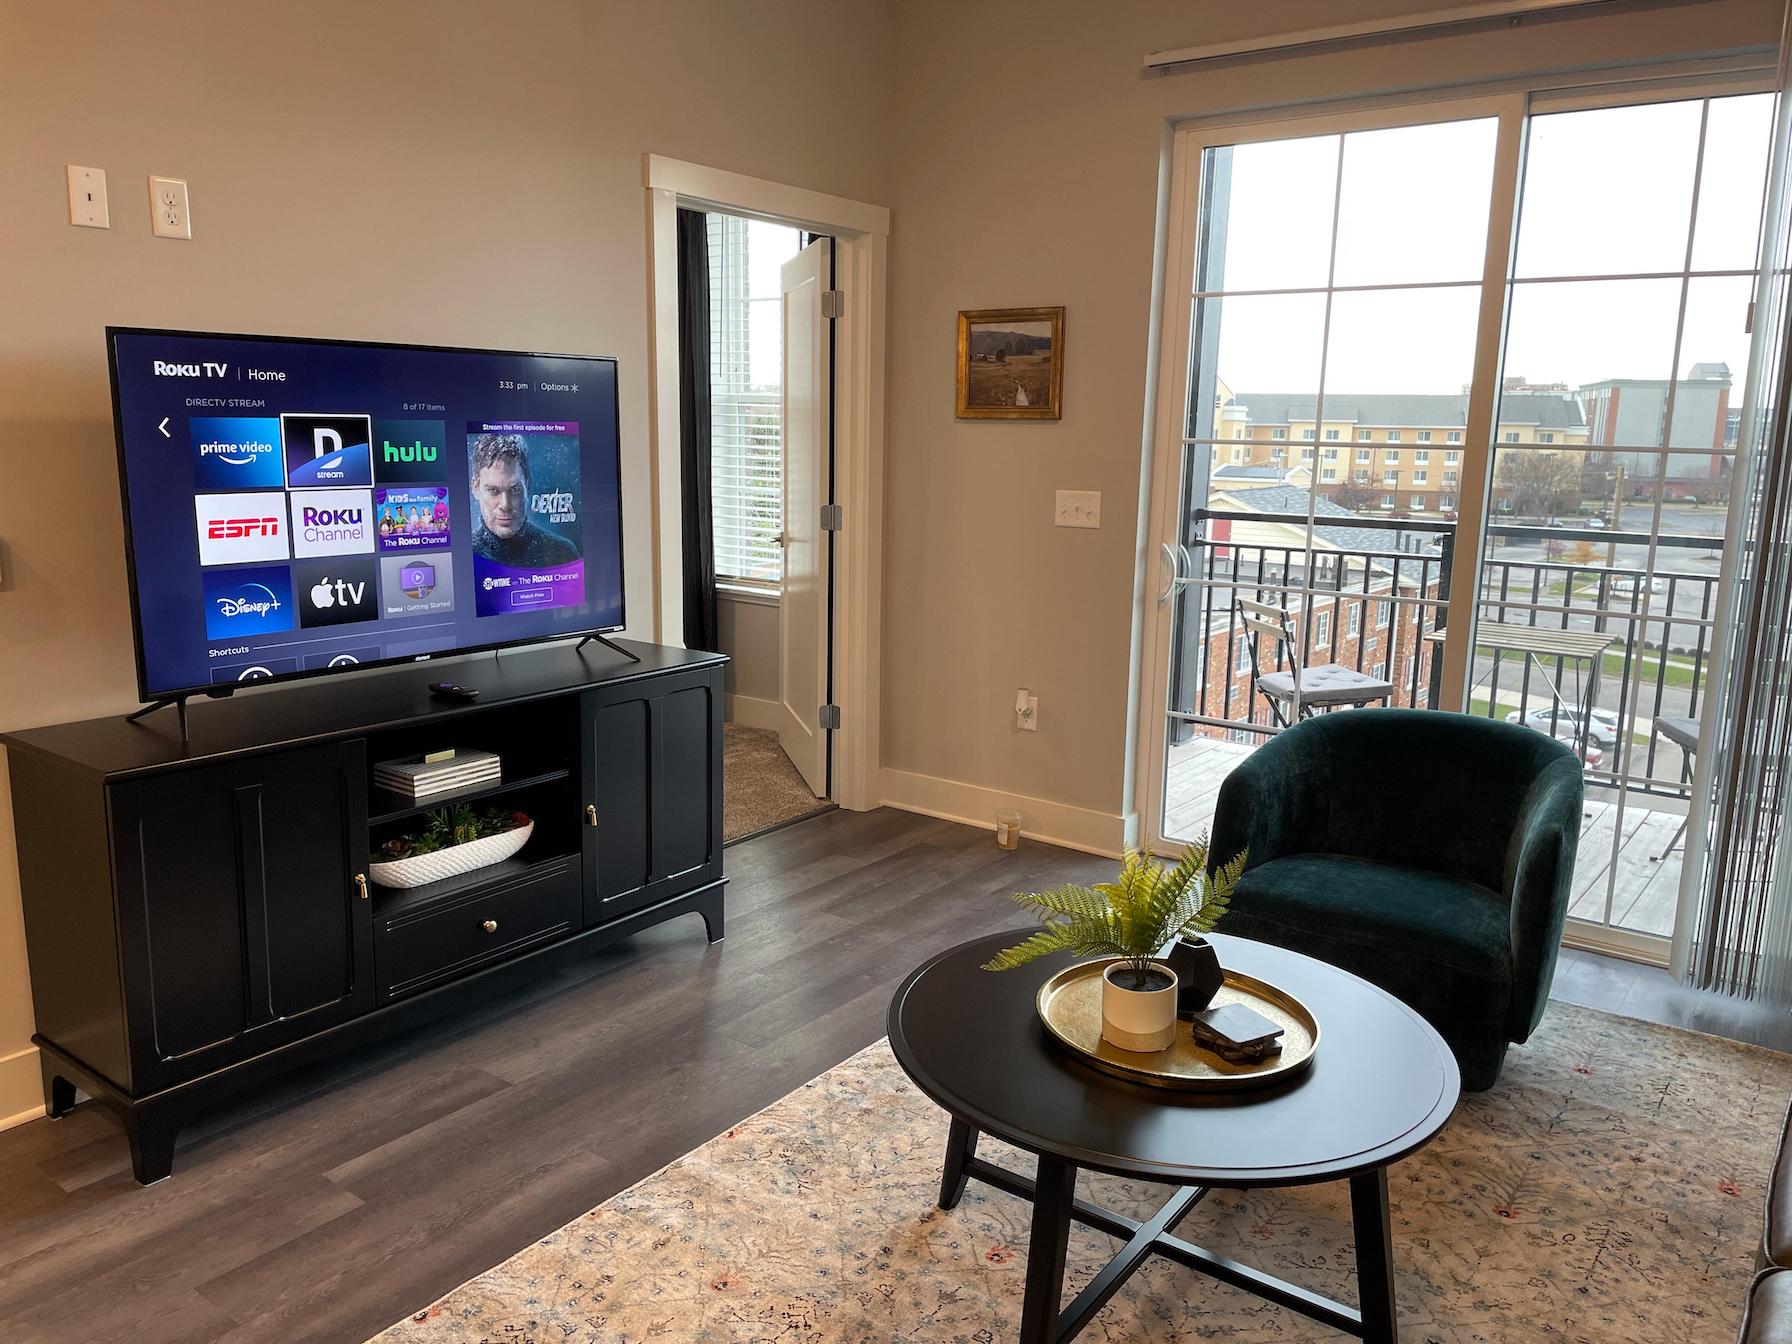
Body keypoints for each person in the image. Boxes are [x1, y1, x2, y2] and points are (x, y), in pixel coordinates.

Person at [469, 434, 578, 566]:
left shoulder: (563, 552)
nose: (505, 504)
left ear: (527, 484)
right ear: (475, 488)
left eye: (514, 490)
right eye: (493, 491)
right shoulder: (463, 556)